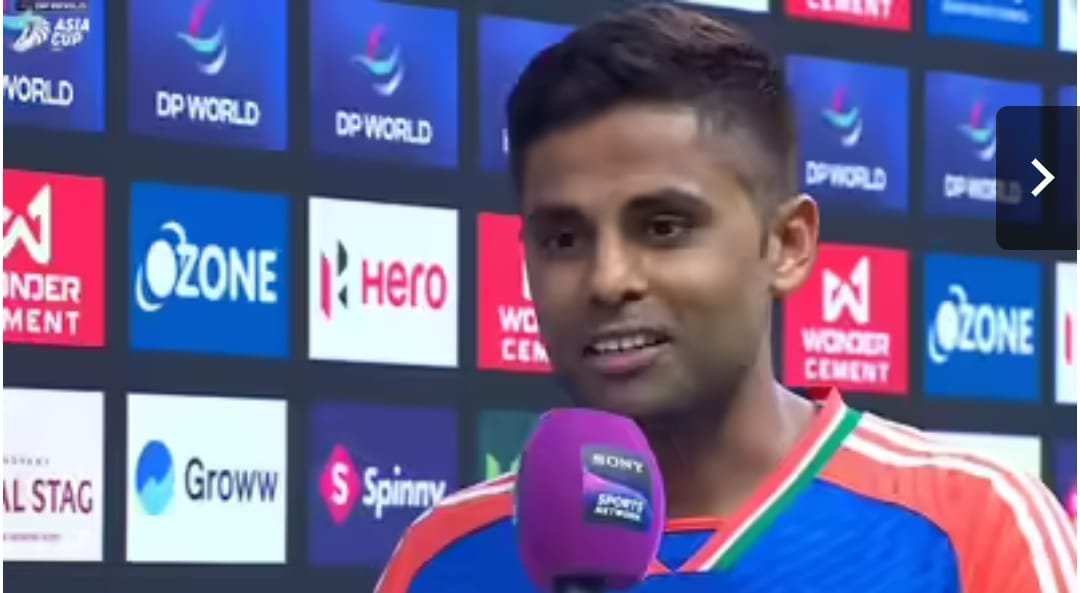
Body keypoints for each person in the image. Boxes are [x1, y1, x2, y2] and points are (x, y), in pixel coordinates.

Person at [374, 4, 1076, 592]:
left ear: (788, 244)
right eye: (564, 238)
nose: (608, 278)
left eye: (664, 227)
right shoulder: (440, 559)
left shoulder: (974, 526)